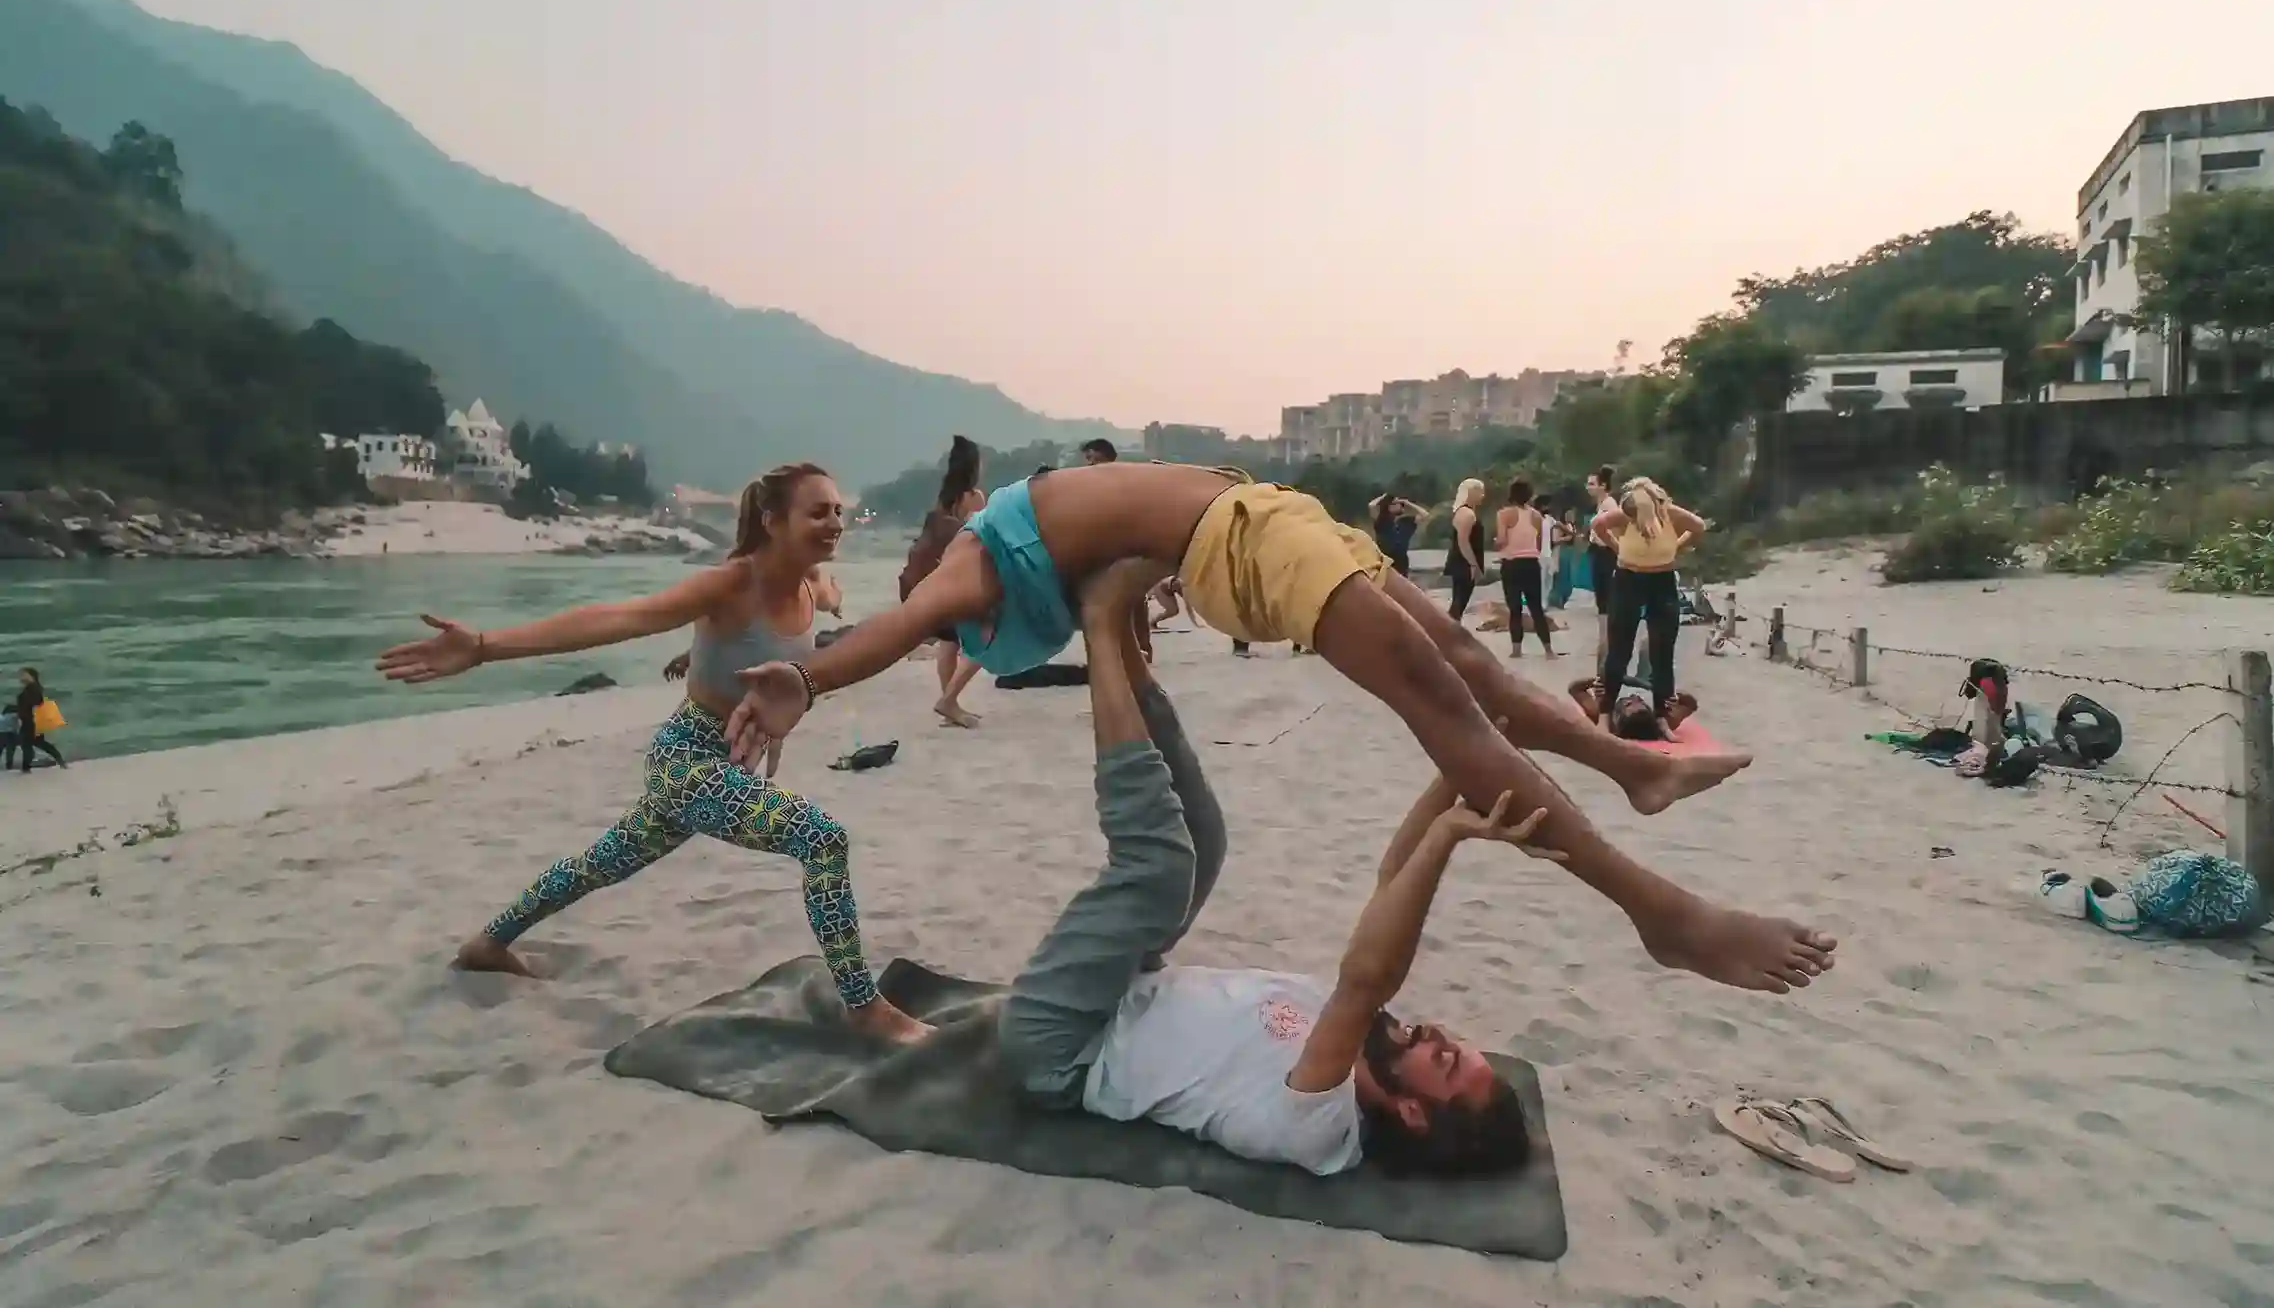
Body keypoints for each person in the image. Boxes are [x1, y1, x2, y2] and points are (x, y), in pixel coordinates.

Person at [730, 461, 1836, 996]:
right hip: (1247, 535)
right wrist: (811, 679)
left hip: (1263, 525)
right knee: (1447, 709)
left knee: (1464, 666)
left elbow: (900, 617)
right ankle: (1662, 912)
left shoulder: (974, 562)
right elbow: (901, 625)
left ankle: (1626, 764)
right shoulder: (979, 570)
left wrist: (808, 678)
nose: (971, 627)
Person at [1001, 560, 1573, 1175]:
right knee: (1206, 843)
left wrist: (1451, 831)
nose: (1437, 1033)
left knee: (1159, 867)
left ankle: (1097, 623)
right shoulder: (1362, 1048)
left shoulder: (1321, 1126)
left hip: (1064, 1042)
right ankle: (1118, 628)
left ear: (1412, 1113)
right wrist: (1465, 767)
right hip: (1127, 986)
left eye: (1445, 1061)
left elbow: (1366, 979)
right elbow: (1392, 879)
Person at [374, 464, 926, 1043]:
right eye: (818, 512)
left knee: (599, 865)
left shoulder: (814, 585)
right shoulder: (732, 583)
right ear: (772, 521)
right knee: (822, 839)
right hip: (687, 760)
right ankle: (864, 1008)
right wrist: (486, 647)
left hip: (722, 767)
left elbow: (817, 606)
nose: (835, 522)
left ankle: (488, 944)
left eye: (838, 510)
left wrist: (818, 616)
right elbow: (624, 617)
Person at [662, 565, 841, 777]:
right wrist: (693, 655)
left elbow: (829, 598)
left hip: (747, 735)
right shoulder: (736, 585)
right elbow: (727, 631)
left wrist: (835, 600)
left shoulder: (809, 587)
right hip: (695, 739)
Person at [1592, 477, 1706, 731]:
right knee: (1619, 649)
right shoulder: (1626, 514)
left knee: (1662, 651)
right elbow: (1598, 524)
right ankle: (1604, 712)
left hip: (1662, 581)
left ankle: (1662, 716)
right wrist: (1617, 546)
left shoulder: (1669, 513)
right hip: (1628, 579)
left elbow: (1698, 526)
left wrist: (1676, 545)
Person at [902, 436, 989, 728]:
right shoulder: (972, 496)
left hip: (929, 579)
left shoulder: (944, 499)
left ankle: (949, 703)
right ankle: (949, 700)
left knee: (949, 642)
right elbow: (981, 530)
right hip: (954, 579)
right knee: (987, 639)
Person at [1495, 478, 1554, 658]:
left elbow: (1502, 541)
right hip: (1531, 563)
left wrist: (1496, 544)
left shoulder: (1504, 514)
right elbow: (1537, 543)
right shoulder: (1536, 516)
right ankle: (1548, 650)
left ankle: (1516, 650)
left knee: (1515, 609)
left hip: (1511, 564)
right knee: (1536, 608)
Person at [1569, 676, 1698, 742]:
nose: (1633, 696)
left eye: (1628, 703)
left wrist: (1597, 681)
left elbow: (1574, 689)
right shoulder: (1663, 722)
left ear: (1618, 716)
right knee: (1647, 646)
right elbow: (1691, 705)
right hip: (1645, 679)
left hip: (1617, 671)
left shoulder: (1603, 715)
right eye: (1640, 701)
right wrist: (1674, 696)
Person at [1584, 466, 1620, 657]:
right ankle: (1604, 640)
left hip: (1606, 553)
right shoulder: (1602, 504)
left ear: (1603, 486)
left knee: (1605, 598)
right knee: (1601, 599)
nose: (1588, 487)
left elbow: (1616, 530)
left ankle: (1607, 642)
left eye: (1592, 484)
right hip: (1599, 551)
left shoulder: (1610, 505)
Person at [1445, 479, 1488, 624]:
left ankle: (1450, 632)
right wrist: (1473, 564)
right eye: (1480, 491)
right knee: (1459, 603)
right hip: (1464, 563)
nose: (1483, 495)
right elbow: (1463, 542)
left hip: (1462, 562)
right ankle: (1448, 633)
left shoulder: (1463, 512)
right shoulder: (1467, 514)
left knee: (1459, 602)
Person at [12, 668, 65, 772]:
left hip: (32, 721)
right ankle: (59, 760)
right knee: (36, 743)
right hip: (29, 720)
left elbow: (37, 702)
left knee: (28, 744)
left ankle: (26, 768)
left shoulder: (34, 688)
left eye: (24, 675)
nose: (21, 677)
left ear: (31, 676)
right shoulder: (30, 688)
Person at [1368, 490, 1423, 578]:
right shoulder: (1381, 521)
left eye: (1399, 504)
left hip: (1401, 561)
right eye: (1394, 503)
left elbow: (1425, 515)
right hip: (1386, 560)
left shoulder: (1406, 522)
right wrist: (1383, 497)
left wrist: (1407, 502)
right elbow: (1371, 505)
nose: (1397, 505)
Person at [1548, 505, 1580, 610]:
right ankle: (1557, 599)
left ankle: (1564, 597)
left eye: (1572, 514)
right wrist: (1568, 537)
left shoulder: (1571, 525)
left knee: (1568, 576)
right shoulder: (1558, 526)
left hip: (1568, 551)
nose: (1570, 516)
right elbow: (1555, 540)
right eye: (1568, 514)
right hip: (1561, 551)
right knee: (1561, 575)